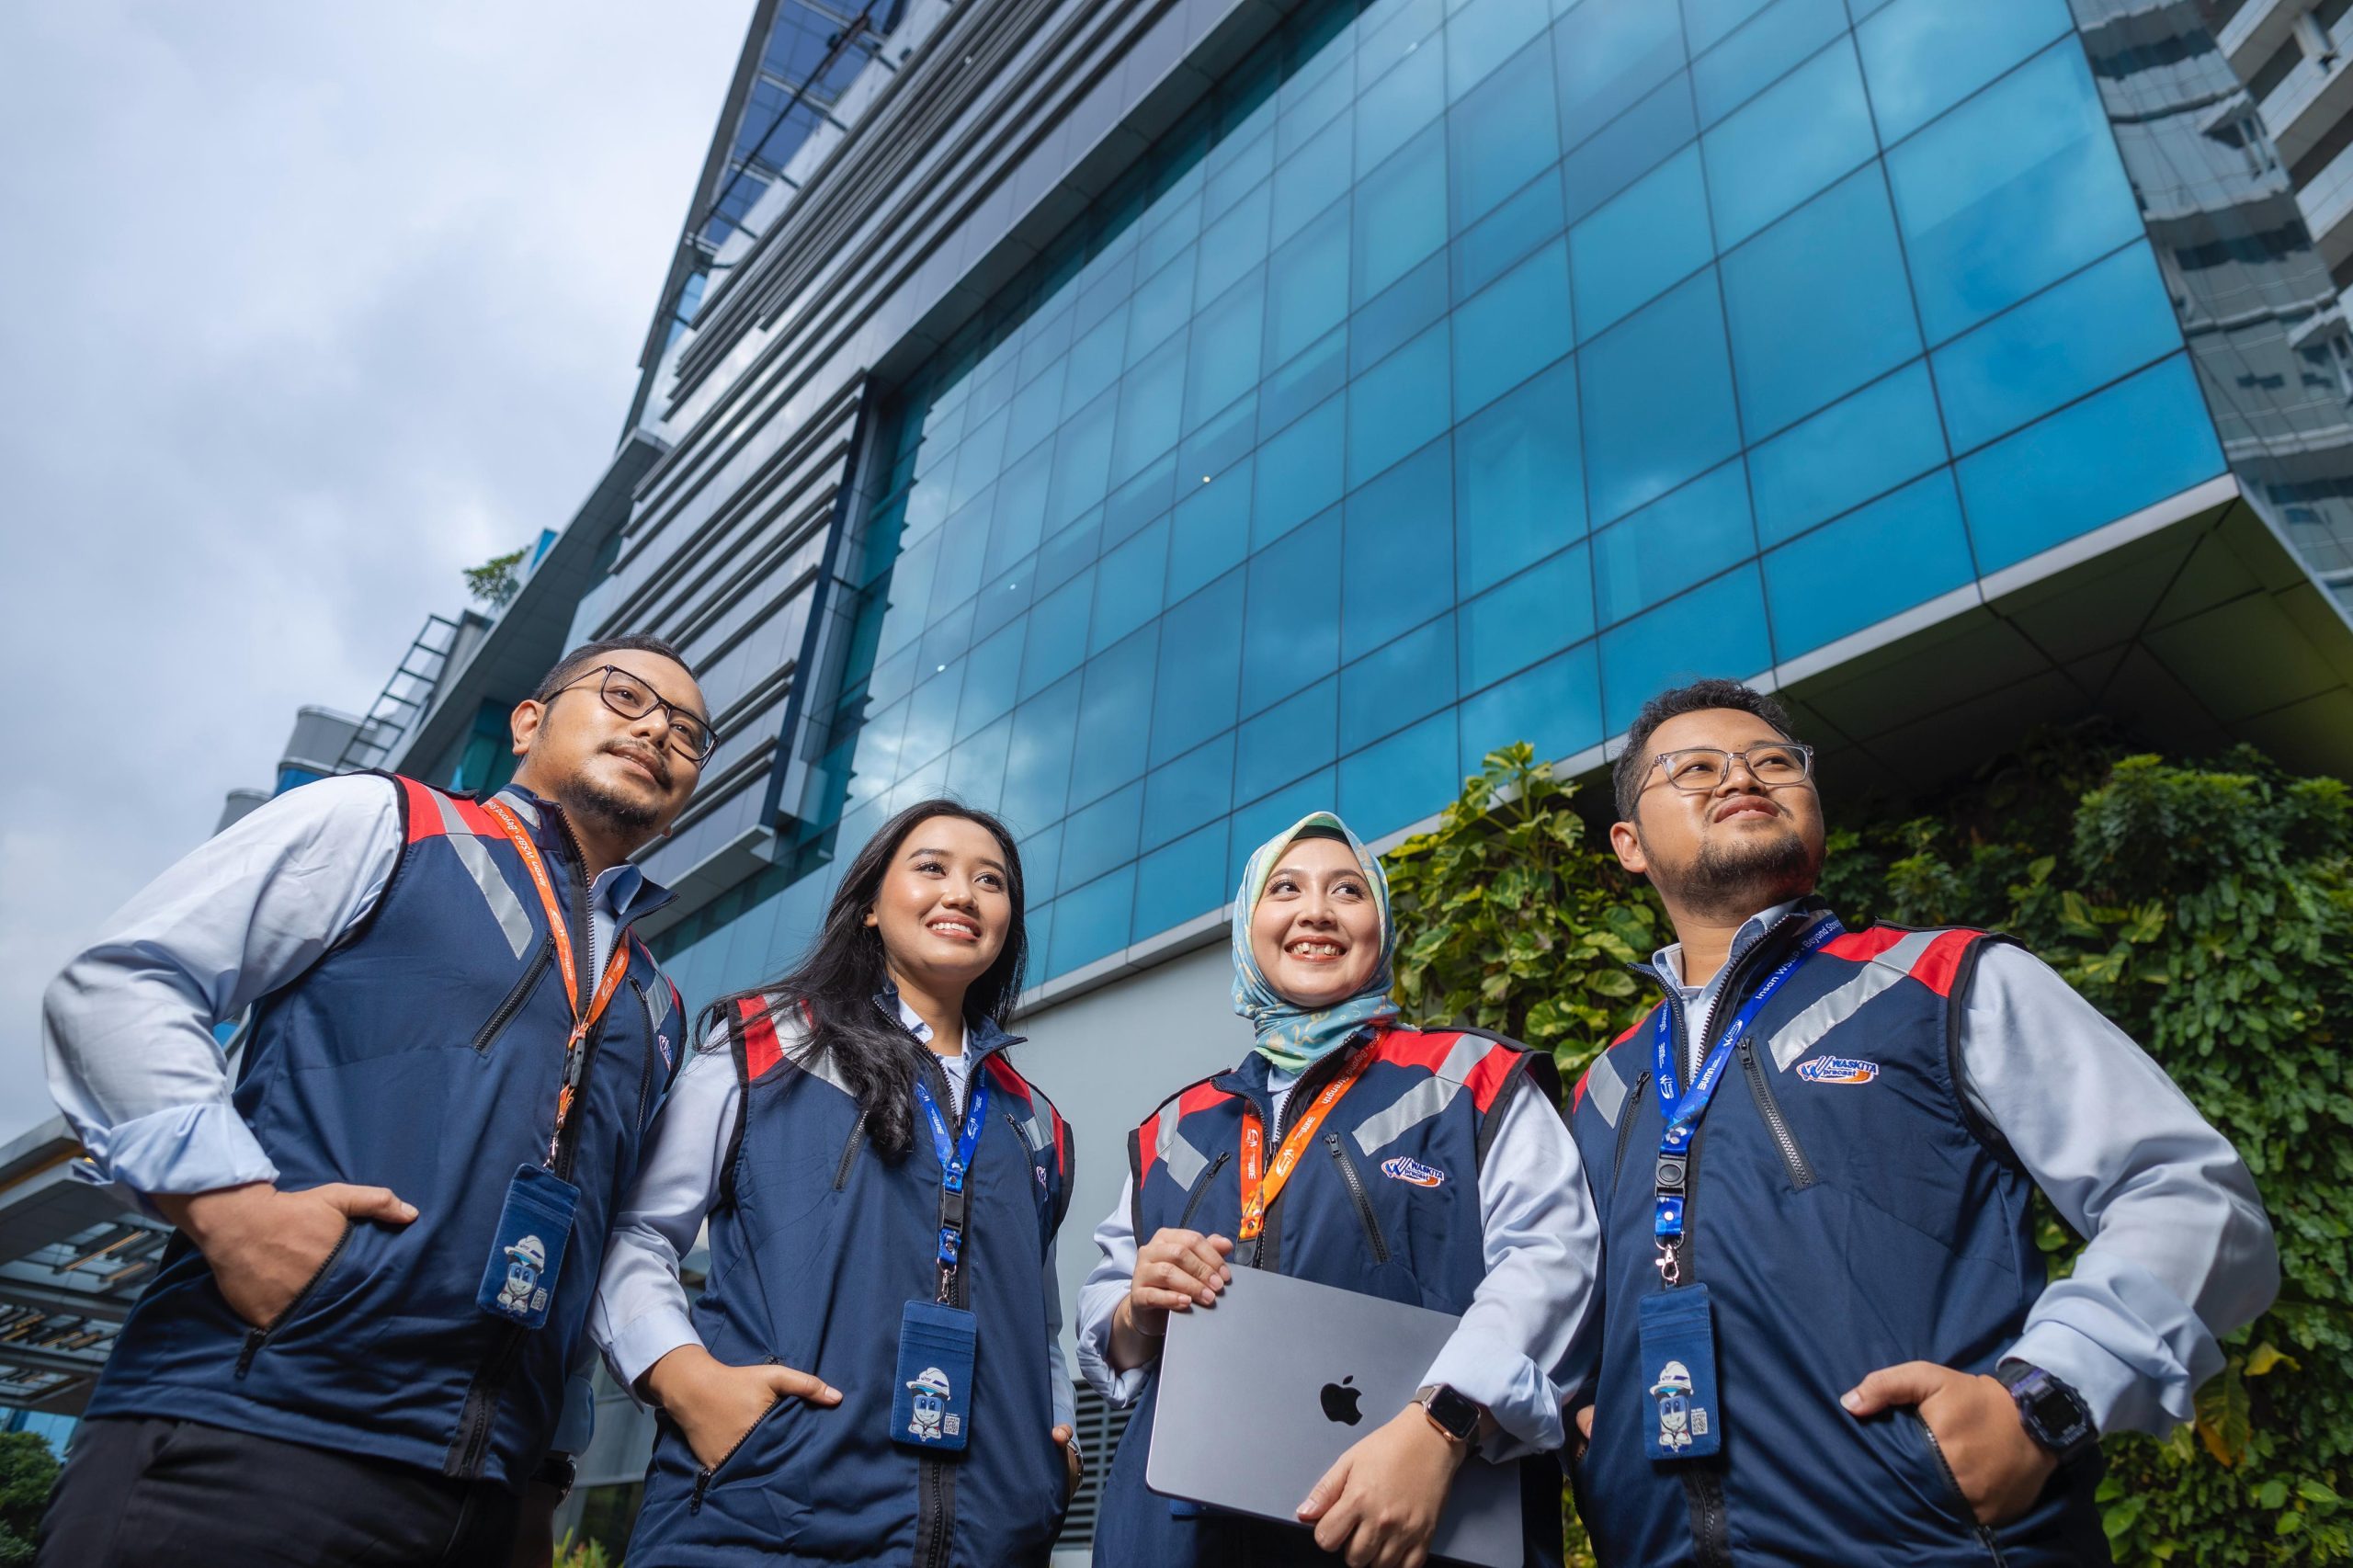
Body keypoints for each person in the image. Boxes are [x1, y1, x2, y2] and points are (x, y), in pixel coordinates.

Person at [1565, 679, 2280, 1564]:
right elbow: (1552, 1298)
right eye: (1695, 767)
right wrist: (1579, 1415)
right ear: (1630, 844)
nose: (1742, 776)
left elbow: (2191, 1198)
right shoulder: (1604, 1086)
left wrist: (2046, 1399)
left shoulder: (1946, 979)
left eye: (1776, 761)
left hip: (1936, 1543)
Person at [38, 636, 711, 1567]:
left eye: (687, 733)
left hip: (491, 1496)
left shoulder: (657, 1003)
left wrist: (547, 1462)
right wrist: (230, 1208)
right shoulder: (388, 821)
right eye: (626, 696)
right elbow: (120, 983)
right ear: (528, 722)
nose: (656, 731)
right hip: (253, 1432)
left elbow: (604, 1238)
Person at [1079, 812, 1597, 1568]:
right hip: (1172, 1538)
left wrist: (1441, 1423)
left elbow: (1553, 1266)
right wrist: (1134, 1307)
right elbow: (1107, 1323)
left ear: (1381, 928)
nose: (1315, 910)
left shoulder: (1473, 1080)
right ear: (1248, 926)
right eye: (1284, 889)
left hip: (1409, 1531)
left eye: (1347, 890)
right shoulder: (1174, 1128)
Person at [591, 799, 1078, 1568]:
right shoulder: (765, 1041)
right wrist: (684, 1381)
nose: (963, 894)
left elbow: (1039, 1328)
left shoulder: (1034, 1122)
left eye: (991, 881)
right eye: (931, 868)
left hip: (988, 1540)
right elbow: (636, 1231)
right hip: (763, 1525)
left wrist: (1051, 1451)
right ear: (870, 909)